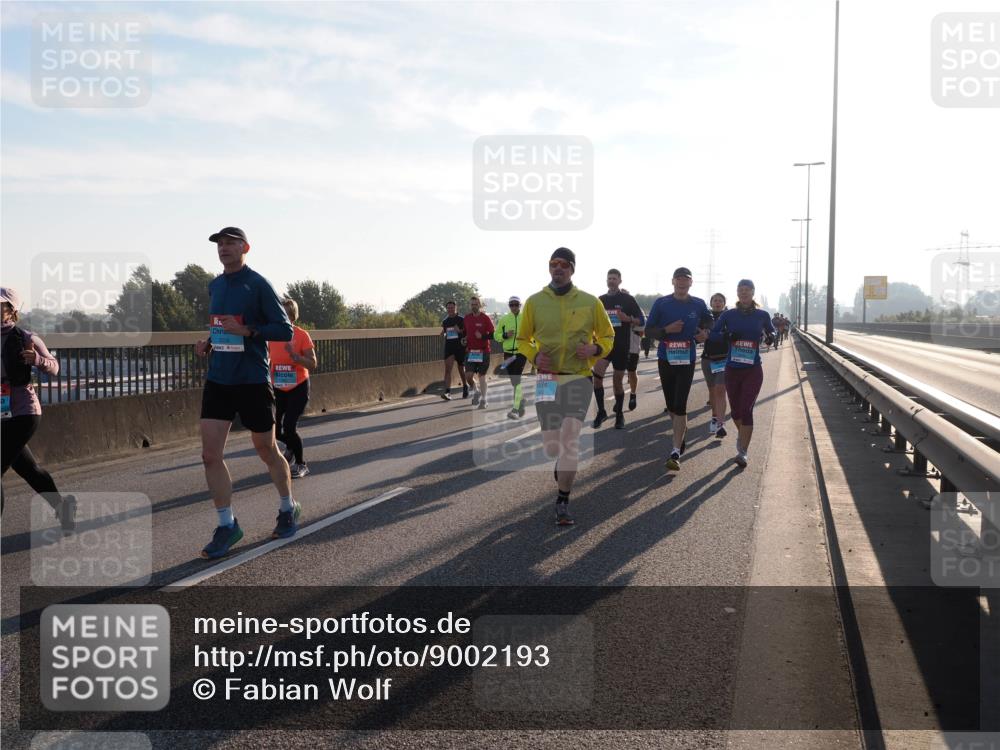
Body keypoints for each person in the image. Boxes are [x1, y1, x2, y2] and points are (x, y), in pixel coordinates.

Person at [195, 227, 297, 559]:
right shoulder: (215, 285)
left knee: (266, 449)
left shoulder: (259, 284)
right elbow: (219, 325)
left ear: (245, 247)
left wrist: (248, 330)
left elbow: (284, 329)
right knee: (210, 455)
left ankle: (287, 506)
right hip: (219, 379)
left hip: (252, 379)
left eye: (229, 243)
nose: (223, 248)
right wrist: (208, 342)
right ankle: (227, 525)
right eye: (219, 244)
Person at [516, 248, 614, 526]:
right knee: (551, 447)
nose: (557, 268)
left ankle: (562, 500)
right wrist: (534, 355)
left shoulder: (589, 301)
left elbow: (608, 335)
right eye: (553, 264)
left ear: (572, 269)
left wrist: (595, 348)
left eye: (563, 265)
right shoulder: (534, 302)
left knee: (570, 440)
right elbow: (522, 339)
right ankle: (560, 464)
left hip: (578, 377)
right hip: (547, 380)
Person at [1, 287, 76, 532]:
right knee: (28, 469)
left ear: (11, 311)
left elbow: (54, 367)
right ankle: (63, 507)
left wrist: (37, 360)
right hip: (2, 414)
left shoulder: (26, 338)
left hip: (24, 413)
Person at [644, 267, 713, 471]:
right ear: (673, 281)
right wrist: (667, 330)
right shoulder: (662, 303)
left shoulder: (698, 303)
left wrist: (705, 332)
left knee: (680, 403)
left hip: (687, 359)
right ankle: (681, 431)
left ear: (691, 283)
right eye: (679, 279)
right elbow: (648, 331)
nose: (682, 283)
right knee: (672, 407)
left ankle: (675, 451)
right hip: (666, 359)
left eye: (686, 280)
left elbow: (709, 320)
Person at [709, 279, 776, 467]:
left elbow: (772, 333)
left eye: (747, 290)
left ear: (753, 292)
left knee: (746, 410)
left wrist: (771, 337)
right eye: (741, 290)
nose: (744, 293)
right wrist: (727, 336)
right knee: (736, 411)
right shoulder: (729, 315)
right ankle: (742, 437)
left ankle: (743, 451)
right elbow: (713, 334)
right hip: (732, 369)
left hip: (753, 369)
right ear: (737, 293)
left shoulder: (762, 315)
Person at [269, 297, 317, 479]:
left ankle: (301, 463)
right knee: (274, 430)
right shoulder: (272, 336)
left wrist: (295, 357)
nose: (279, 316)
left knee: (289, 426)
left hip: (298, 387)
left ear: (291, 317)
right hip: (279, 388)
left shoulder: (301, 335)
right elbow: (267, 357)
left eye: (283, 314)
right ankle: (291, 446)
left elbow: (312, 363)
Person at [592, 270, 644, 430]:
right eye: (609, 278)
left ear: (620, 280)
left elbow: (641, 320)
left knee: (617, 381)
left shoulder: (628, 299)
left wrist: (627, 319)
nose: (611, 281)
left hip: (622, 345)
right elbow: (591, 321)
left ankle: (619, 415)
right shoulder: (600, 300)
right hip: (604, 345)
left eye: (614, 278)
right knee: (597, 377)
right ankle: (601, 411)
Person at [701, 293, 730, 439]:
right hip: (707, 359)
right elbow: (697, 334)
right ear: (711, 303)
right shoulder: (706, 317)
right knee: (712, 391)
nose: (717, 303)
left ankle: (720, 423)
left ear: (725, 303)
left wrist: (712, 335)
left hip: (723, 359)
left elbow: (729, 335)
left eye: (720, 301)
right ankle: (714, 416)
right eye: (715, 300)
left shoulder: (729, 317)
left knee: (720, 389)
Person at [494, 296, 527, 419]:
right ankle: (521, 400)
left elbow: (533, 333)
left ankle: (515, 408)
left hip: (520, 353)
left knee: (516, 379)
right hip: (508, 353)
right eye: (511, 305)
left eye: (516, 304)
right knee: (513, 381)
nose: (514, 307)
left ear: (520, 305)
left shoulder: (525, 318)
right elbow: (496, 335)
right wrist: (504, 335)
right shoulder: (504, 319)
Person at [463, 296, 495, 409]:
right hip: (471, 352)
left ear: (479, 305)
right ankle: (476, 391)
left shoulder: (485, 318)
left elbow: (493, 334)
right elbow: (465, 333)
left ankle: (484, 400)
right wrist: (464, 338)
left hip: (483, 351)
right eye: (472, 304)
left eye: (476, 304)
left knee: (482, 376)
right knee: (468, 376)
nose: (474, 306)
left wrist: (482, 336)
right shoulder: (466, 318)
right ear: (469, 305)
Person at [440, 301, 468, 400]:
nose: (450, 309)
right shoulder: (445, 321)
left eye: (452, 308)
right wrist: (443, 334)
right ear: (446, 309)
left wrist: (459, 331)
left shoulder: (462, 319)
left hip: (460, 347)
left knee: (461, 369)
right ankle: (447, 392)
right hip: (449, 347)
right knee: (448, 369)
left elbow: (466, 333)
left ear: (456, 308)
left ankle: (465, 386)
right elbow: (444, 332)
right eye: (448, 308)